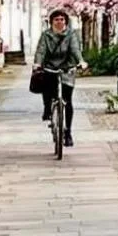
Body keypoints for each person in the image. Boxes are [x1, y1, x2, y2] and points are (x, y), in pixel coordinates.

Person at [33, 8, 86, 147]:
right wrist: (38, 64)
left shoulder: (71, 35)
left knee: (67, 100)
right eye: (56, 20)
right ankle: (47, 108)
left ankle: (68, 132)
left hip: (67, 68)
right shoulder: (46, 35)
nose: (59, 22)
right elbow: (41, 50)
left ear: (66, 21)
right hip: (50, 67)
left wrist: (81, 61)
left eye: (62, 19)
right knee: (48, 87)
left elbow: (75, 49)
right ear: (51, 22)